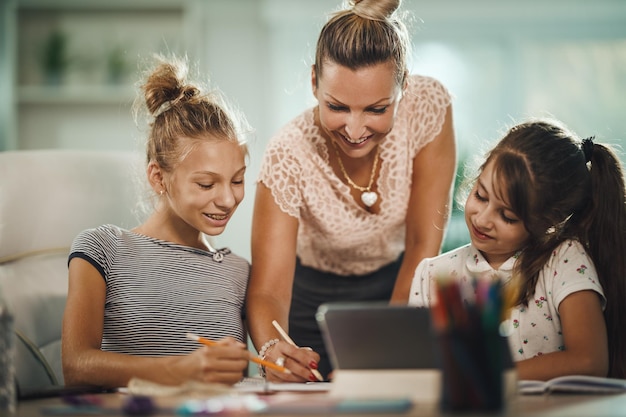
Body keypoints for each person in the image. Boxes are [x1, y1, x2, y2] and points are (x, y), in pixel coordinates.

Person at [247, 0, 456, 382]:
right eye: (337, 106)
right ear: (314, 82)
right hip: (310, 300)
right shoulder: (288, 152)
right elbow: (269, 290)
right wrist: (271, 350)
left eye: (376, 110)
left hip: (402, 282)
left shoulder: (428, 106)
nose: (355, 130)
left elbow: (423, 244)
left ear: (404, 86)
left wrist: (389, 336)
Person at [62, 55, 253, 388]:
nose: (228, 199)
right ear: (158, 177)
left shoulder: (237, 271)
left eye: (237, 180)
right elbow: (76, 364)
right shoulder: (103, 249)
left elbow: (238, 379)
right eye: (206, 184)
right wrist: (175, 373)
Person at [409, 119, 626, 381]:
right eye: (480, 195)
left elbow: (589, 360)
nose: (483, 219)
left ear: (549, 221)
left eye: (508, 216)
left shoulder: (564, 261)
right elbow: (419, 369)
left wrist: (490, 374)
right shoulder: (431, 274)